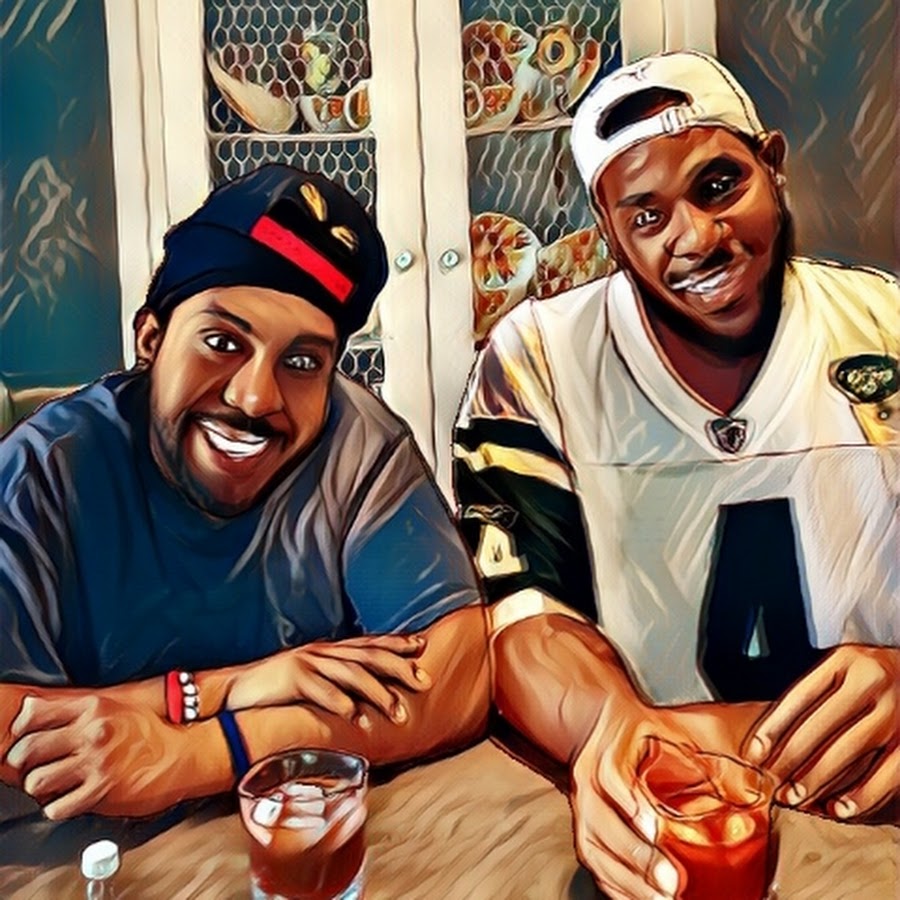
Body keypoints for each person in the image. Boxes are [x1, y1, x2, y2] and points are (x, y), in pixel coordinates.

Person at [453, 50, 898, 899]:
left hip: (873, 796)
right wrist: (606, 725)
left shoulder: (885, 323)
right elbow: (525, 617)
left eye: (719, 186)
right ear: (607, 228)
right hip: (665, 803)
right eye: (647, 215)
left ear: (773, 165)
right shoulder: (537, 356)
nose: (695, 237)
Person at [0, 164, 489, 821]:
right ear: (151, 339)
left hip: (305, 831)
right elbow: (13, 726)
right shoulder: (47, 466)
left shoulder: (358, 443)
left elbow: (458, 676)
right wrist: (231, 687)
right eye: (222, 342)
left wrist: (204, 750)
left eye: (302, 362)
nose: (256, 398)